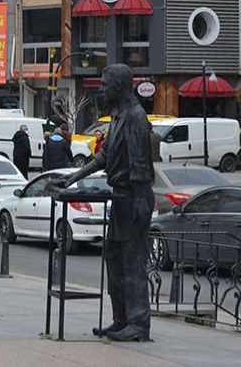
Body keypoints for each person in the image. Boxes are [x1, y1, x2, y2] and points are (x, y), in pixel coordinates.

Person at [52, 64, 155, 342]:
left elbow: (140, 166)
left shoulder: (135, 117)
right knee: (115, 259)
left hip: (134, 197)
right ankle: (121, 319)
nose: (102, 90)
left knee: (132, 263)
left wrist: (139, 204)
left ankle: (138, 323)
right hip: (123, 198)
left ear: (119, 87)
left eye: (106, 85)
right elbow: (104, 156)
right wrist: (72, 178)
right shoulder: (119, 116)